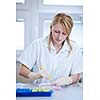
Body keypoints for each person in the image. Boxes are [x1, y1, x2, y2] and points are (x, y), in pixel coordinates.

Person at [17, 13, 83, 86]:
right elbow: (22, 70)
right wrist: (35, 75)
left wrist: (68, 80)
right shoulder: (38, 44)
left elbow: (76, 76)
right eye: (56, 32)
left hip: (64, 91)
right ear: (51, 28)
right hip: (41, 90)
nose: (59, 37)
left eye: (64, 33)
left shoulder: (74, 48)